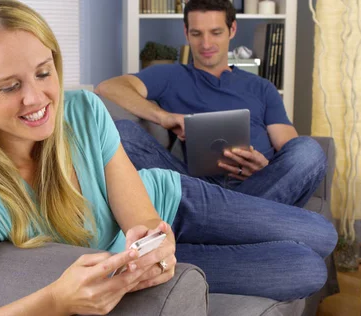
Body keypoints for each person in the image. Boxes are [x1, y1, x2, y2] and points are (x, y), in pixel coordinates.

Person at [0, 0, 336, 314]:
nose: (37, 98)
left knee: (323, 235)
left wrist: (155, 236)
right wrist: (55, 300)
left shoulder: (82, 110)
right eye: (8, 86)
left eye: (43, 72)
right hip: (136, 265)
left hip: (172, 196)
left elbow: (144, 219)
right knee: (303, 268)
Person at [96, 0, 326, 208]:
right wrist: (164, 117)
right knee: (123, 132)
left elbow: (291, 146)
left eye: (215, 32)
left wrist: (266, 168)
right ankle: (242, 220)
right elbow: (109, 87)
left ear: (232, 30)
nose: (206, 43)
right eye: (197, 33)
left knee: (309, 150)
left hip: (258, 182)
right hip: (196, 186)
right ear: (186, 32)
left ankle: (217, 219)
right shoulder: (170, 75)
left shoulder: (262, 87)